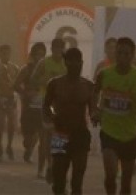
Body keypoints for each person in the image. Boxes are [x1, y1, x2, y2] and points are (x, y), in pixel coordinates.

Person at [92, 37, 136, 195]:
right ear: (114, 54)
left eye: (126, 54)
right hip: (109, 132)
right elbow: (94, 93)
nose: (122, 57)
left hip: (130, 134)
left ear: (132, 56)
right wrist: (95, 111)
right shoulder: (104, 74)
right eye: (119, 53)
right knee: (110, 175)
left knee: (126, 182)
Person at [43, 47, 97, 195]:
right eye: (70, 61)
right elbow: (46, 106)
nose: (74, 64)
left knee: (77, 182)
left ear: (82, 62)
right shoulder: (54, 84)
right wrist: (52, 115)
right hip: (60, 134)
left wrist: (94, 116)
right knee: (59, 183)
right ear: (65, 63)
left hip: (80, 134)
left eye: (77, 61)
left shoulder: (88, 86)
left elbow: (92, 108)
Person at [32, 37, 68, 182]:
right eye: (56, 49)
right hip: (46, 102)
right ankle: (46, 166)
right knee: (46, 137)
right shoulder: (44, 63)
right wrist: (45, 80)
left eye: (61, 49)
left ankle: (53, 166)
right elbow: (33, 79)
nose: (59, 52)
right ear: (52, 49)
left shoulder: (67, 64)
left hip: (62, 104)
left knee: (59, 137)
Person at [14, 42, 47, 164]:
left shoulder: (47, 70)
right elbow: (16, 85)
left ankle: (34, 151)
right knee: (28, 137)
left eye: (42, 54)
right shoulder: (26, 69)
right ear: (33, 55)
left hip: (42, 106)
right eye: (37, 54)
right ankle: (28, 147)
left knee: (41, 132)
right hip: (28, 106)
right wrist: (26, 93)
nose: (40, 57)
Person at [0, 44, 19, 161]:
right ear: (0, 54)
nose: (5, 55)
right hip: (0, 98)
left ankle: (9, 146)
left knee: (12, 124)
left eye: (7, 53)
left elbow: (18, 82)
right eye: (3, 53)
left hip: (11, 98)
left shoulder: (14, 67)